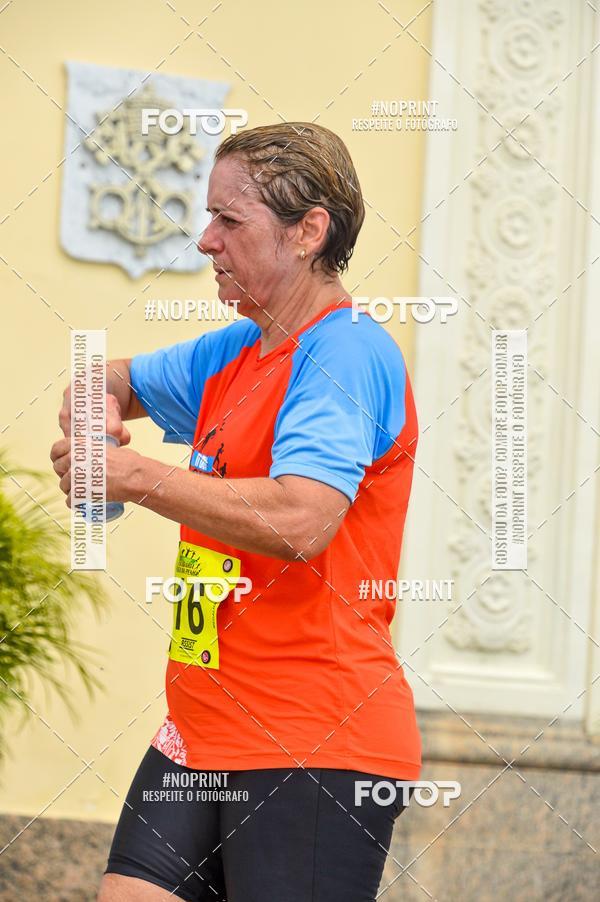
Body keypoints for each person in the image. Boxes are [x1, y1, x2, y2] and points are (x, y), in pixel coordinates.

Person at [51, 122, 421, 902]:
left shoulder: (347, 353)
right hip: (199, 727)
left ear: (308, 231)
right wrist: (95, 417)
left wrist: (131, 475)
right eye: (208, 217)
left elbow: (302, 521)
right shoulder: (236, 350)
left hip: (314, 736)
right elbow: (111, 376)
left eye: (229, 220)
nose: (205, 241)